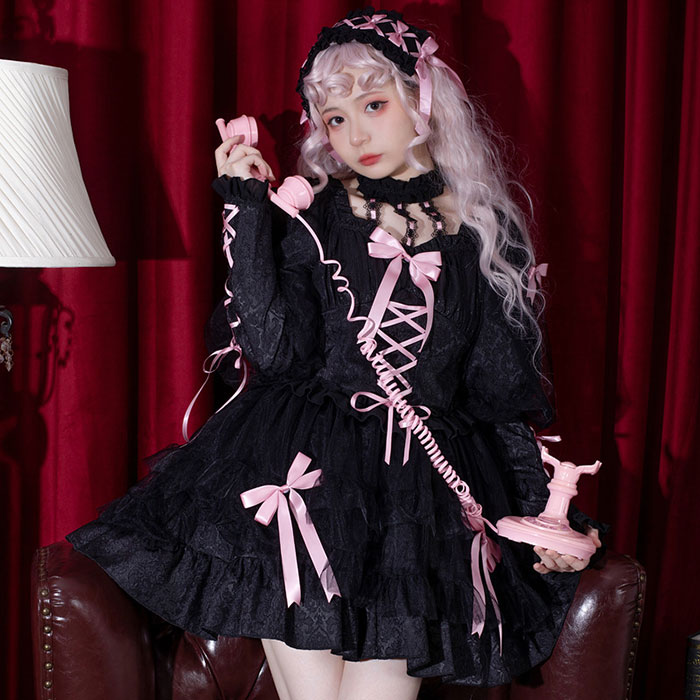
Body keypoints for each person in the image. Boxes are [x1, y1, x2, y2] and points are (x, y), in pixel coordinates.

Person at [68, 8, 604, 700]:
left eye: (373, 105)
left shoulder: (486, 233)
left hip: (419, 499)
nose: (354, 135)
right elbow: (270, 348)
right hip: (300, 471)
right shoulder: (313, 216)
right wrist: (246, 206)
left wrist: (546, 518)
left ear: (424, 100)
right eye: (335, 119)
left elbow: (499, 396)